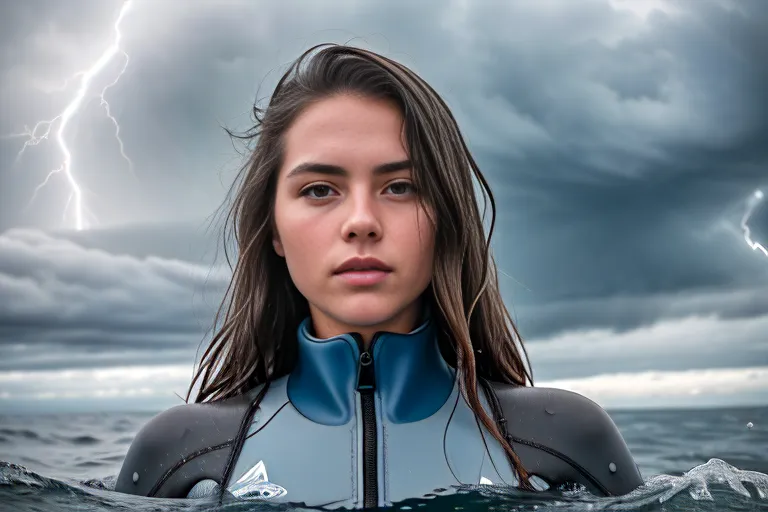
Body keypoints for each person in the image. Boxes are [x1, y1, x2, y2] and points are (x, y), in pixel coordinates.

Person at [114, 43, 644, 508]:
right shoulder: (181, 454)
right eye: (319, 189)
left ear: (447, 220)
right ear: (273, 229)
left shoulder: (565, 440)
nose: (362, 222)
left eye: (401, 187)